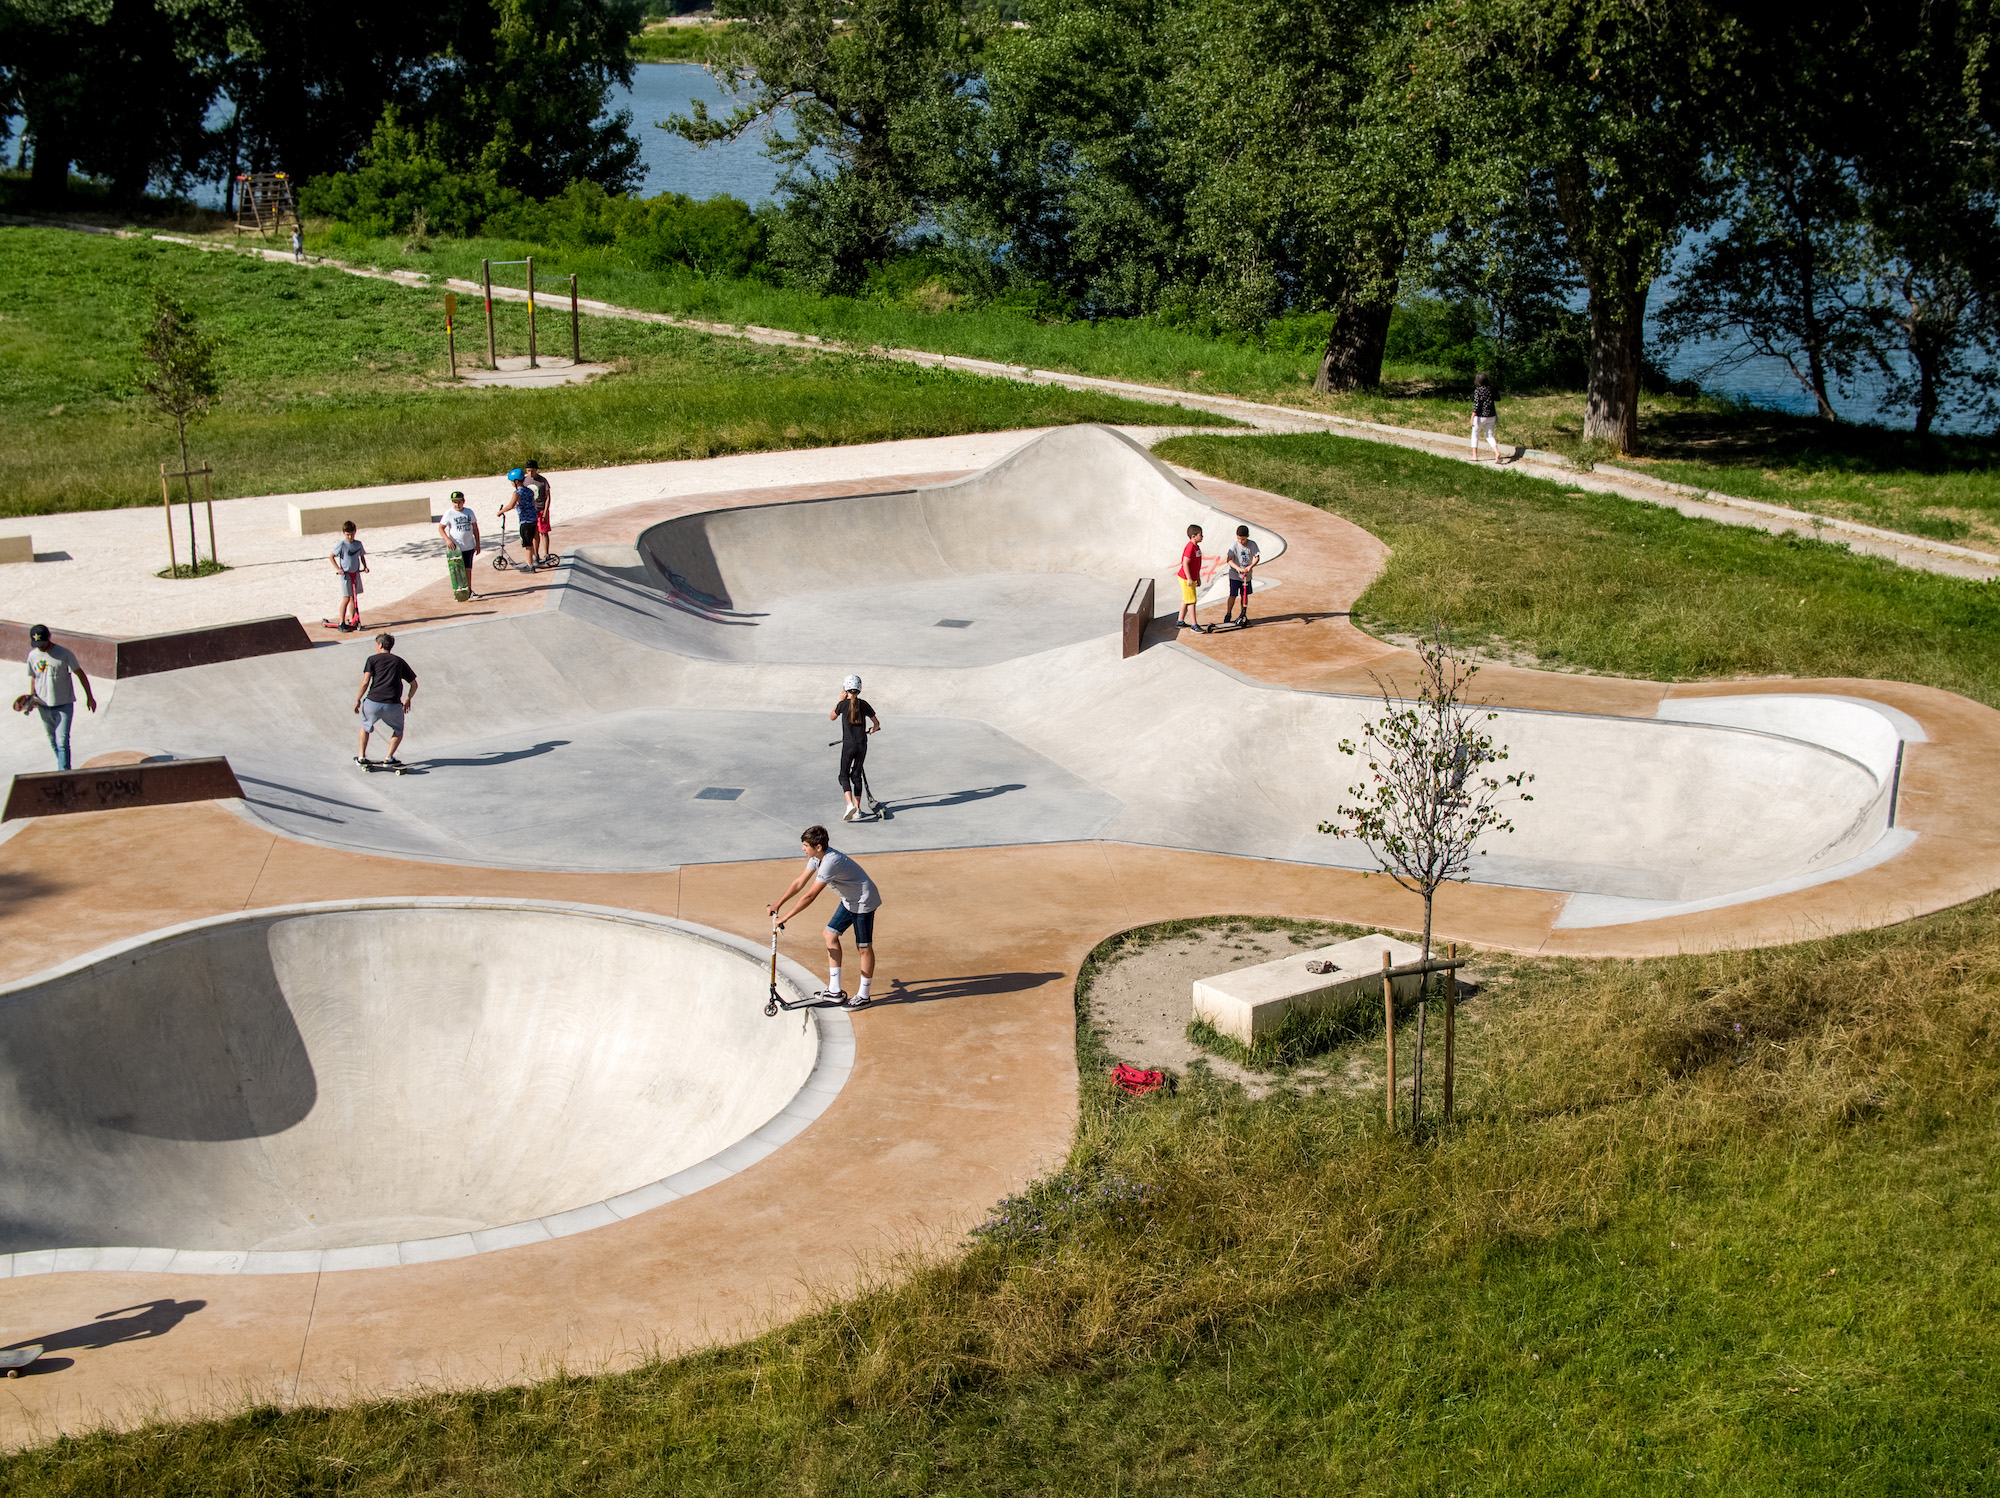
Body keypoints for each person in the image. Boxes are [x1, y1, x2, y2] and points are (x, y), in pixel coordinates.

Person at [767, 825, 880, 1006]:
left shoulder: (830, 862)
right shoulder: (816, 859)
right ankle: (834, 990)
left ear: (818, 847)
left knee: (863, 947)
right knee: (830, 934)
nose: (803, 849)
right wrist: (778, 904)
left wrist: (785, 917)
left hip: (863, 901)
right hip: (848, 900)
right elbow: (799, 883)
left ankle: (864, 996)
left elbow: (810, 896)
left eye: (805, 845)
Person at [17, 623, 96, 771]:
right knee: (53, 741)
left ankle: (64, 774)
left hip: (64, 704)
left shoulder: (64, 654)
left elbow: (80, 674)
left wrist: (89, 697)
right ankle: (64, 769)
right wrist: (32, 698)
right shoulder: (33, 656)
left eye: (43, 643)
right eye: (37, 644)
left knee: (62, 742)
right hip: (43, 705)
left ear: (49, 638)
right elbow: (34, 677)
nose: (40, 647)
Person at [353, 632, 418, 769]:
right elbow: (414, 684)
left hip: (373, 702)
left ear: (380, 645)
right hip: (393, 705)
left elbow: (365, 682)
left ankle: (361, 756)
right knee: (398, 730)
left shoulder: (372, 659)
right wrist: (407, 699)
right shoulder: (399, 661)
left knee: (365, 726)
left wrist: (358, 699)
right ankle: (388, 758)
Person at [829, 673, 882, 822]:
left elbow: (832, 716)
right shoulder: (864, 704)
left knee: (843, 775)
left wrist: (839, 700)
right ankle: (858, 810)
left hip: (848, 745)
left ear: (846, 689)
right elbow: (877, 723)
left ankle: (849, 804)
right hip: (862, 744)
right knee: (856, 775)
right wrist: (873, 729)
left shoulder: (843, 704)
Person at [437, 491, 481, 599]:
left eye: (459, 502)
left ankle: (469, 591)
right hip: (456, 548)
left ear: (463, 501)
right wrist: (447, 540)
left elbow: (475, 528)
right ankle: (458, 592)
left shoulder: (469, 512)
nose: (457, 505)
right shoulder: (449, 513)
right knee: (457, 571)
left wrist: (478, 543)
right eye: (454, 502)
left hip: (469, 546)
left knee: (468, 569)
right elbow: (441, 528)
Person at [499, 467, 540, 568]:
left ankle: (530, 565)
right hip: (533, 519)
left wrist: (500, 511)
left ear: (516, 481)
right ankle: (535, 559)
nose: (511, 483)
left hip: (525, 521)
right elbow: (528, 503)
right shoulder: (529, 491)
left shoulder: (517, 493)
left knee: (527, 544)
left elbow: (510, 505)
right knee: (531, 539)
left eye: (511, 481)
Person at [330, 521, 367, 631]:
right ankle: (341, 622)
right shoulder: (341, 545)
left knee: (353, 598)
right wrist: (338, 569)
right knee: (346, 598)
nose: (350, 537)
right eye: (347, 534)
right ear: (344, 533)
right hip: (345, 576)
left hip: (355, 574)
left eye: (352, 534)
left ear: (355, 532)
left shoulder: (358, 544)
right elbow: (331, 557)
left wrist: (365, 567)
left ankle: (352, 620)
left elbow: (362, 556)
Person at [1222, 523, 1260, 627]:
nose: (1240, 541)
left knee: (1244, 595)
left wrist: (1250, 567)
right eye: (1239, 539)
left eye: (1243, 539)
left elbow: (1257, 557)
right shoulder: (1234, 546)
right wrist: (1237, 568)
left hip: (1246, 576)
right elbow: (1229, 560)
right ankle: (1228, 613)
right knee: (1233, 595)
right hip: (1235, 576)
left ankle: (1243, 614)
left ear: (1247, 536)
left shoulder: (1252, 545)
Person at [524, 459, 555, 569]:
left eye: (532, 471)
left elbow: (547, 496)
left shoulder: (542, 481)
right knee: (534, 534)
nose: (530, 473)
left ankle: (546, 554)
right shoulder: (525, 480)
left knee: (544, 532)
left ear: (536, 470)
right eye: (528, 471)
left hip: (541, 510)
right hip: (531, 511)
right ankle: (535, 555)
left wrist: (546, 510)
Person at [1177, 522, 1208, 633]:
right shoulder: (1190, 548)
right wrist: (1189, 578)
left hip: (1191, 578)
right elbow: (1185, 563)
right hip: (1186, 578)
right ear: (1194, 536)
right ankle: (1194, 625)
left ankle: (1180, 621)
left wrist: (1197, 577)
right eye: (1201, 534)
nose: (1202, 536)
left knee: (1186, 599)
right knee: (1191, 601)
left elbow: (1197, 565)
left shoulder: (1196, 547)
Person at [1471, 371, 1502, 462]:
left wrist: (1473, 414)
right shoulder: (1491, 389)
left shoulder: (1478, 390)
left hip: (1480, 416)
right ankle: (1496, 452)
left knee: (1475, 434)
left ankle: (1474, 455)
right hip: (1491, 415)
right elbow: (1498, 398)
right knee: (1489, 435)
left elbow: (1477, 403)